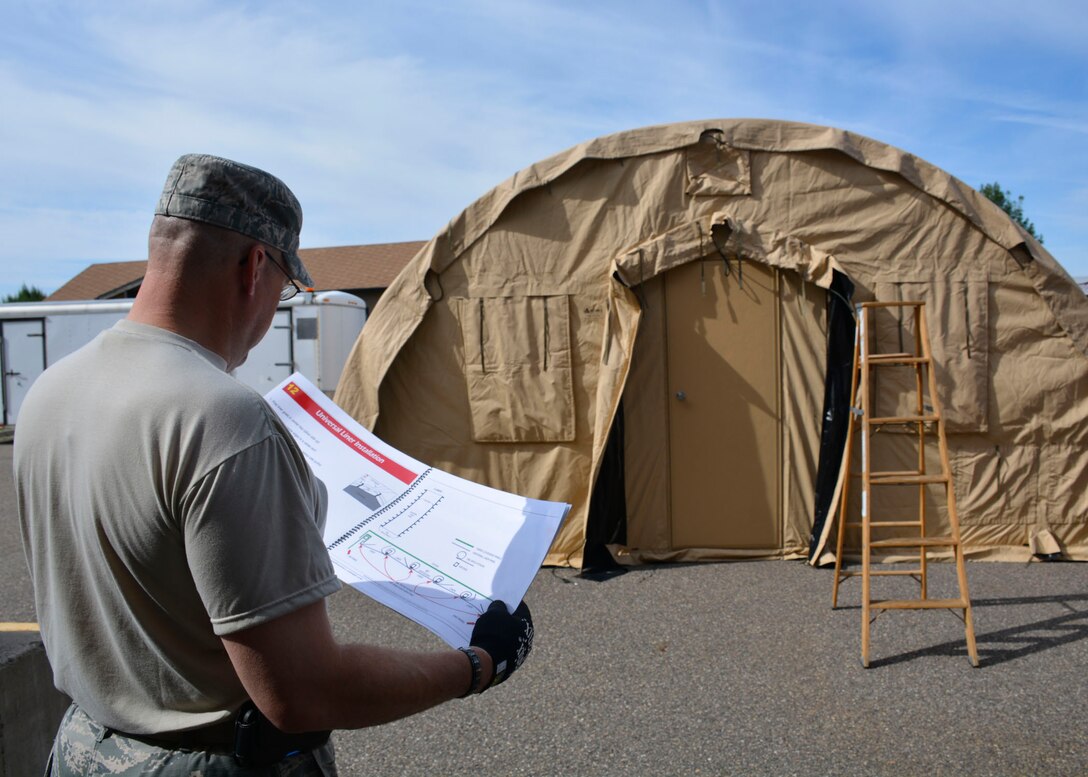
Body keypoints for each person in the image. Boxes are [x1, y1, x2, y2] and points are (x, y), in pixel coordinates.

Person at [15, 154, 534, 776]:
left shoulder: (50, 390)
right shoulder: (224, 419)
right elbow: (304, 691)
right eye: (286, 286)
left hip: (82, 749)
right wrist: (477, 665)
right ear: (255, 265)